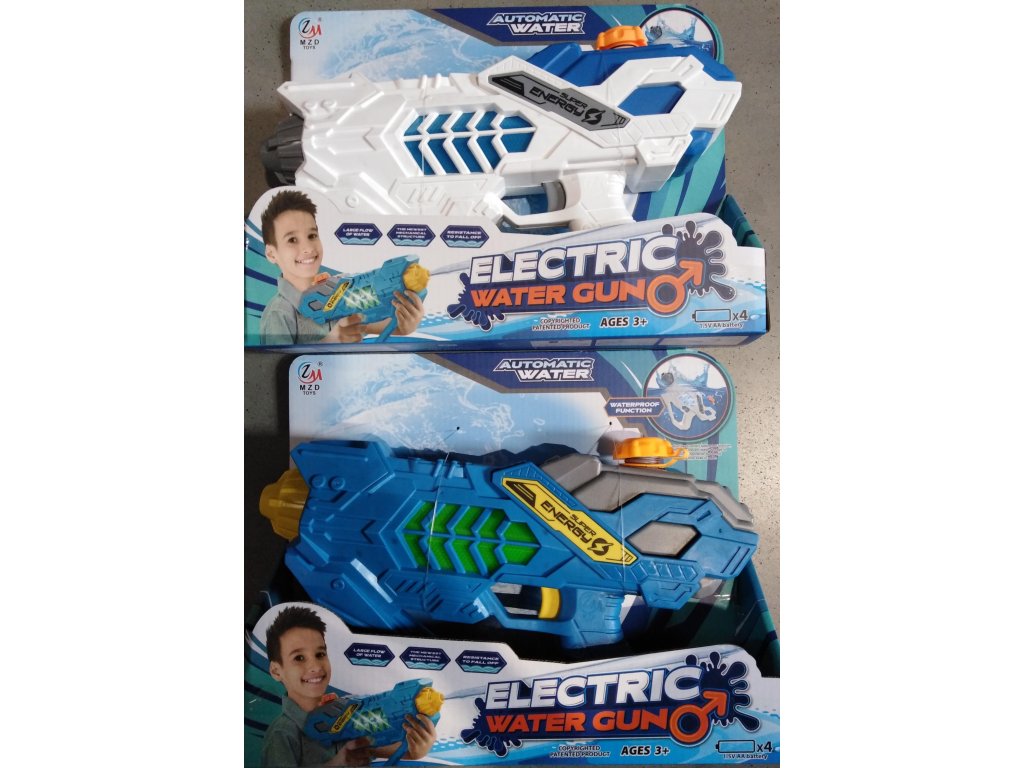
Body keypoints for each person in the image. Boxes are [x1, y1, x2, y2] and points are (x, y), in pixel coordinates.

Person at [262, 606, 437, 767]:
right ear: (276, 671)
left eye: (320, 654)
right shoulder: (282, 732)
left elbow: (372, 747)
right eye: (299, 658)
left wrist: (415, 750)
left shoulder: (341, 710)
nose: (315, 666)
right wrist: (336, 764)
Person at [259, 190, 425, 344]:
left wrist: (405, 324)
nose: (308, 248)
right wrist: (331, 341)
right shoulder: (279, 313)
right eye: (292, 240)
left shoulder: (336, 289)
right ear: (271, 254)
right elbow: (278, 363)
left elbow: (368, 323)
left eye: (312, 235)